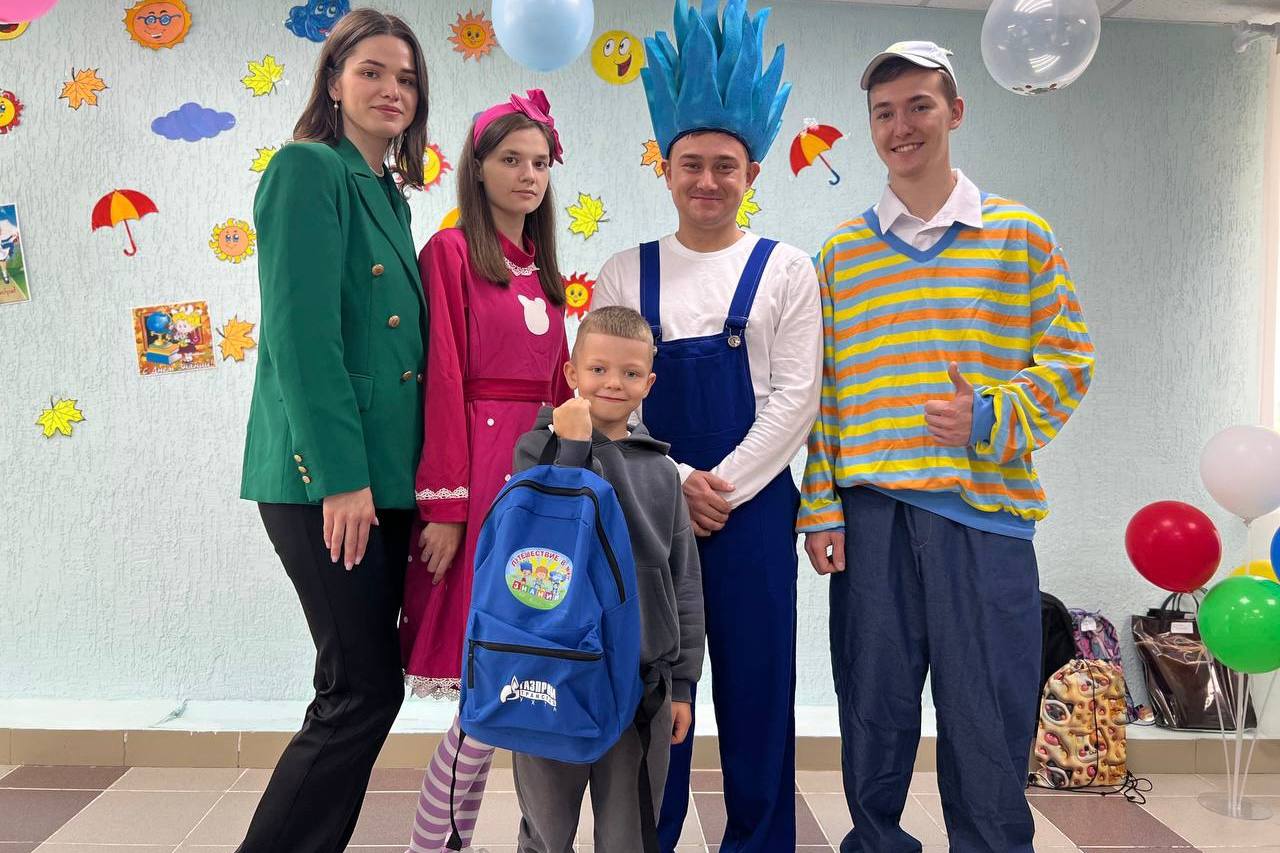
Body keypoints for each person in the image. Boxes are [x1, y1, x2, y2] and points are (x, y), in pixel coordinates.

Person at [799, 41, 1096, 853]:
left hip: (984, 520)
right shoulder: (840, 256)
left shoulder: (1020, 235)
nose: (901, 126)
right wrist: (819, 505)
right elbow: (823, 394)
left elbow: (1071, 363)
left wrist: (989, 416)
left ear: (955, 111)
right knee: (873, 710)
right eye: (884, 112)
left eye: (919, 106)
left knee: (989, 717)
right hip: (869, 517)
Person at [592, 2, 822, 850]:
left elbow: (796, 396)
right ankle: (650, 836)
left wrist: (718, 487)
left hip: (753, 512)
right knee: (659, 693)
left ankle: (760, 840)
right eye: (691, 163)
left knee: (760, 691)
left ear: (752, 171)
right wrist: (677, 482)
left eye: (726, 166)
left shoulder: (786, 269)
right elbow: (612, 399)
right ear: (665, 167)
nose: (708, 181)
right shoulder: (626, 271)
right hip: (651, 513)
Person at [237, 9, 431, 852]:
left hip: (383, 478)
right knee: (360, 690)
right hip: (328, 477)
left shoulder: (385, 192)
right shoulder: (307, 168)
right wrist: (340, 477)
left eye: (407, 78)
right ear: (333, 81)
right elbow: (301, 335)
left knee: (358, 687)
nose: (392, 90)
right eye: (372, 72)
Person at [402, 89, 573, 853]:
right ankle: (433, 842)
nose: (528, 175)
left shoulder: (543, 273)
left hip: (537, 485)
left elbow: (562, 388)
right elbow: (441, 378)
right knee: (483, 687)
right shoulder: (448, 255)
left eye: (540, 162)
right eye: (511, 159)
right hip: (477, 480)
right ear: (477, 167)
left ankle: (447, 841)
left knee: (508, 680)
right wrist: (445, 504)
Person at [507, 306, 705, 853]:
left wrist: (682, 684)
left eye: (630, 373)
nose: (613, 383)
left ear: (649, 383)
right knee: (547, 833)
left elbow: (684, 582)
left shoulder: (662, 471)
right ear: (571, 373)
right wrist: (573, 446)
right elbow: (542, 534)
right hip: (551, 676)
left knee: (630, 836)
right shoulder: (537, 451)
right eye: (598, 370)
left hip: (640, 686)